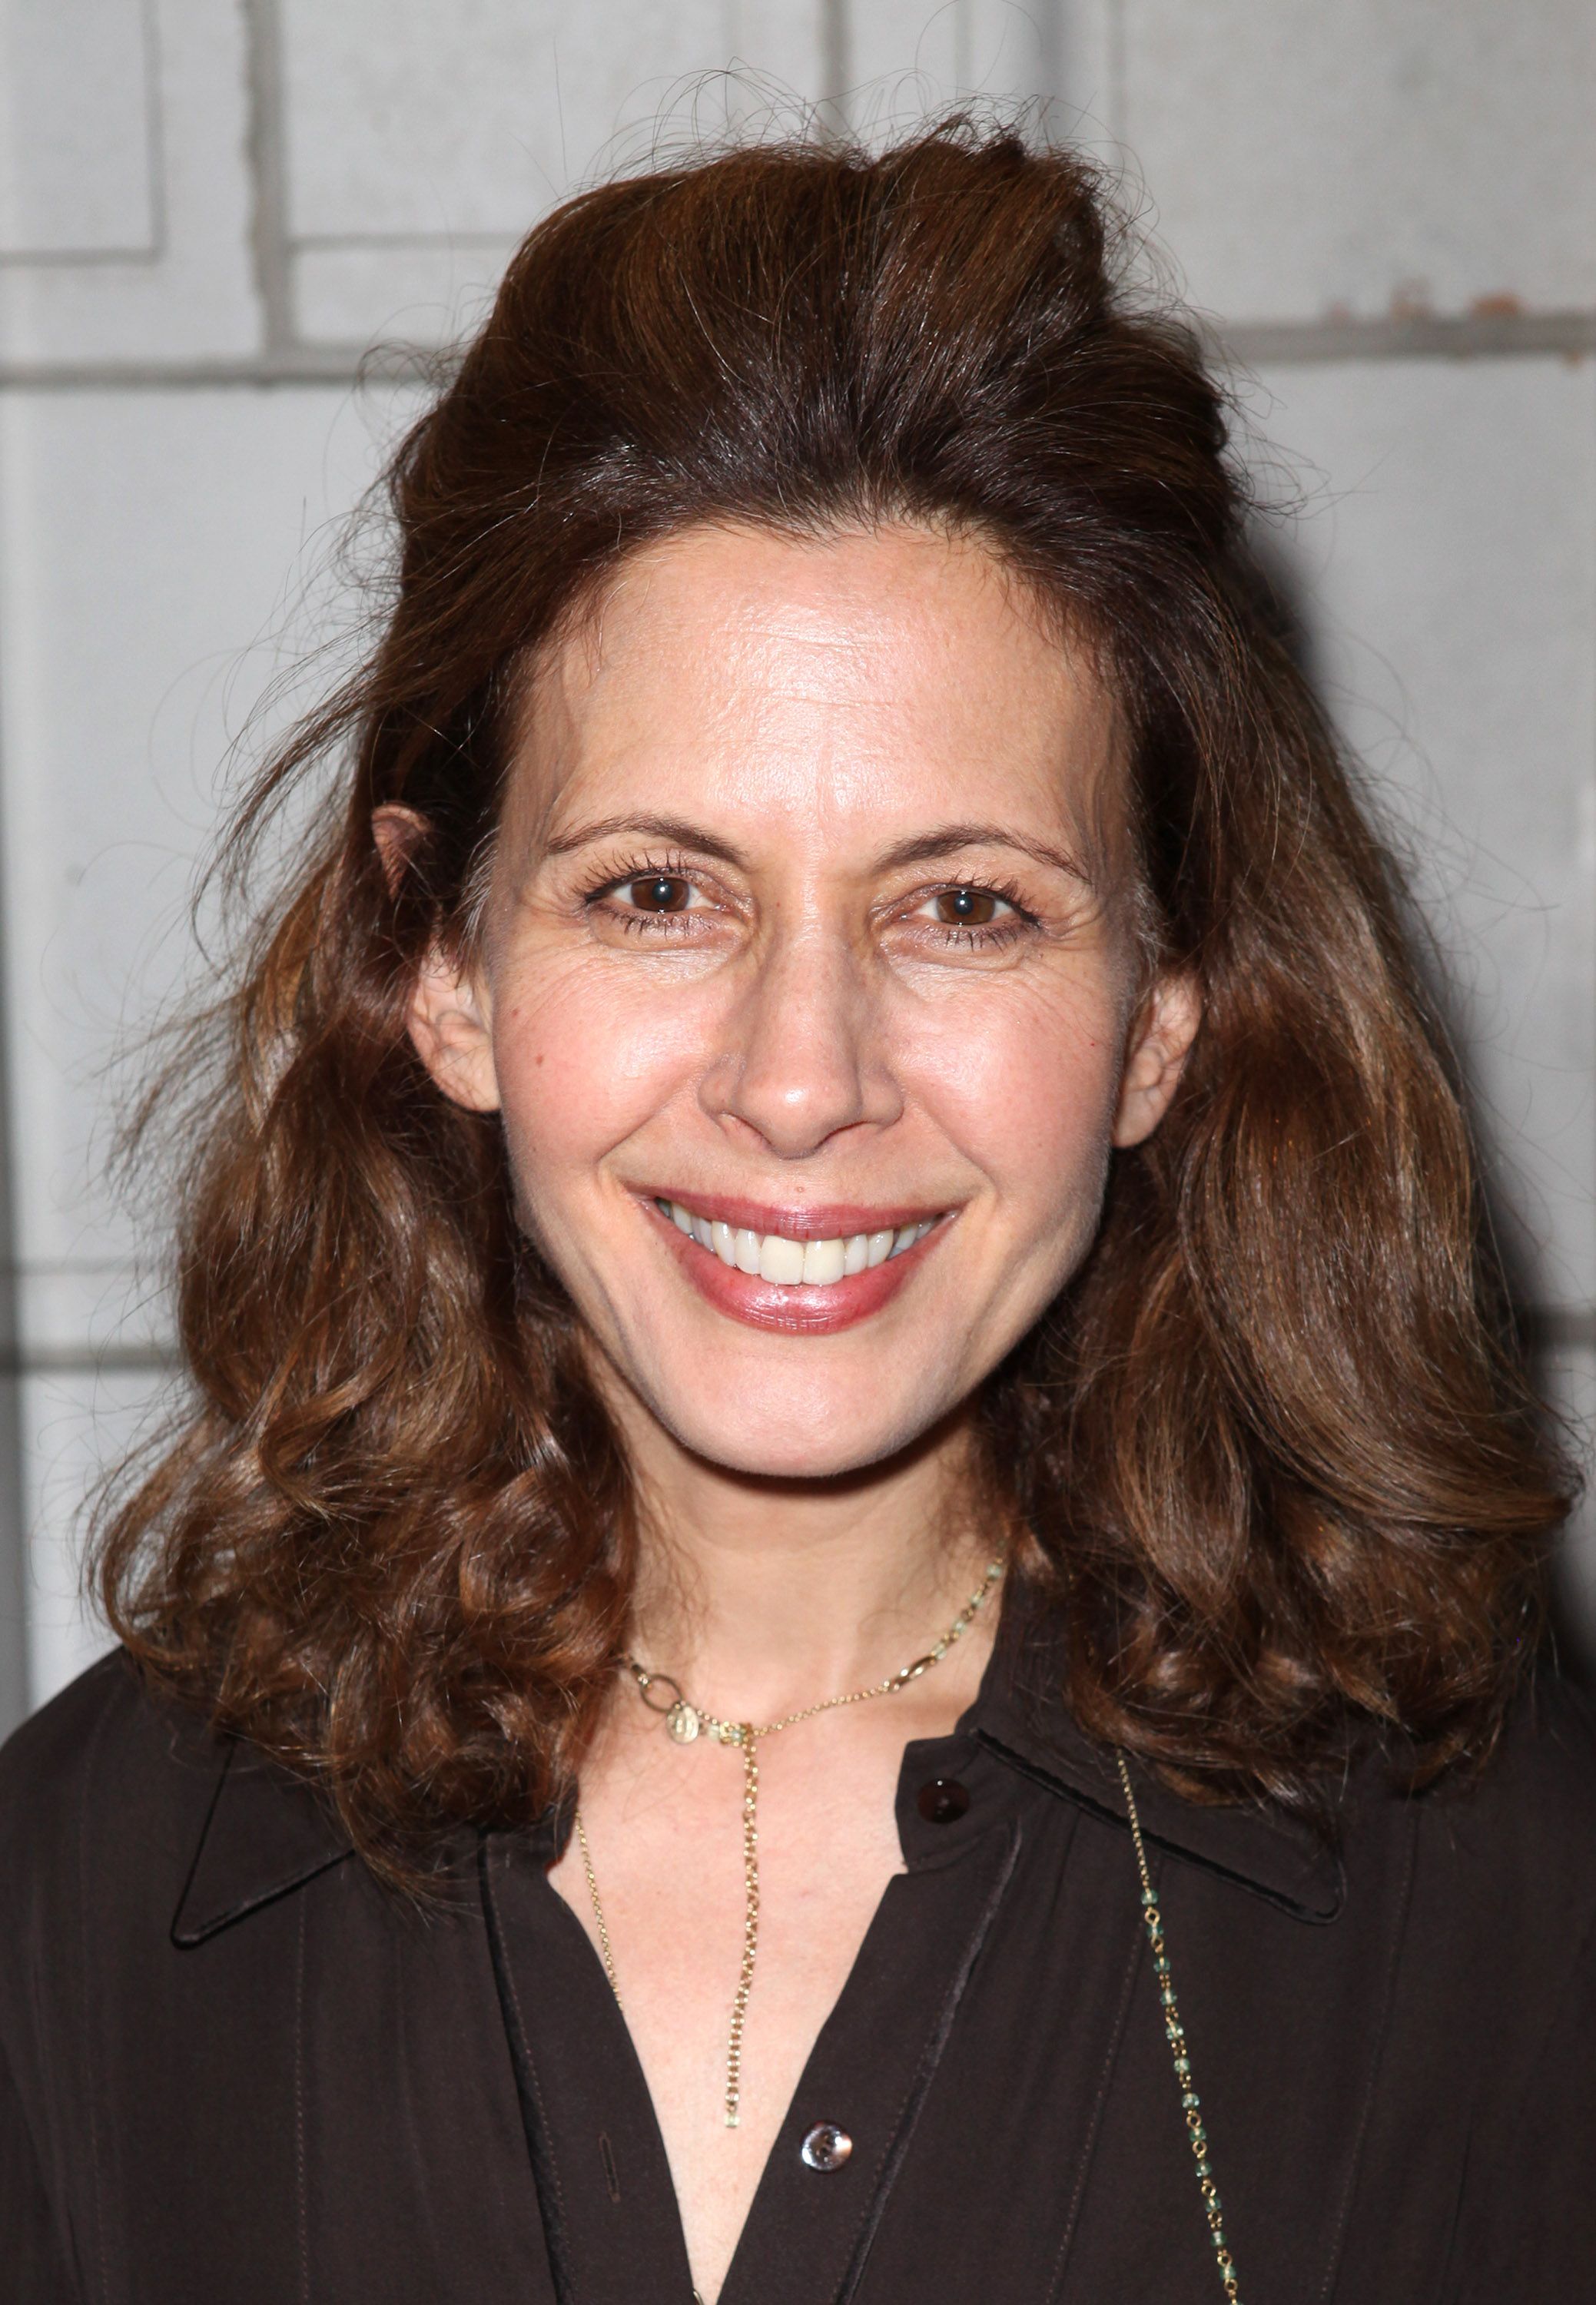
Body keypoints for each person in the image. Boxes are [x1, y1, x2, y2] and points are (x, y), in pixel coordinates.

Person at [1, 119, 1591, 2305]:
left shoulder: (1500, 1911)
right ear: (439, 967)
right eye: (659, 893)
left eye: (966, 906)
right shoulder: (67, 1910)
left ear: (1162, 1014)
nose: (801, 1078)